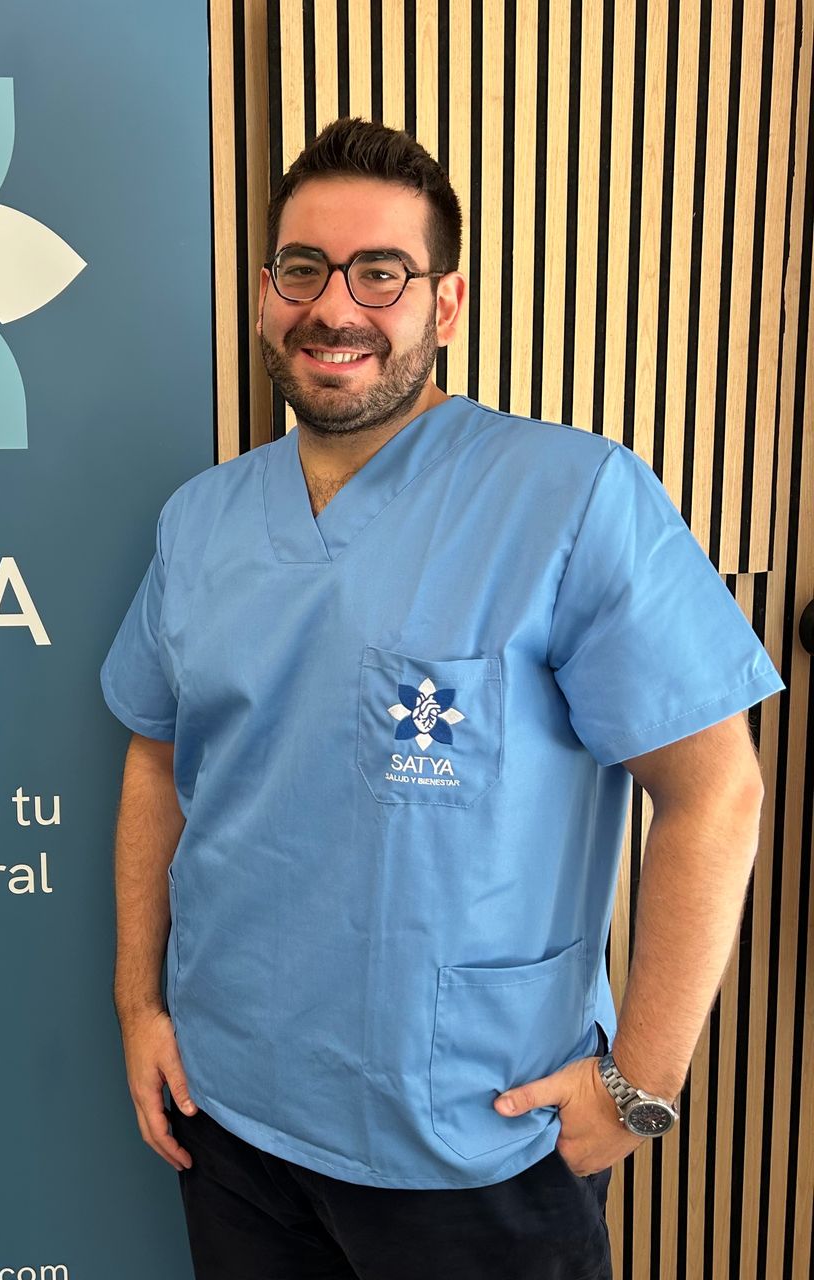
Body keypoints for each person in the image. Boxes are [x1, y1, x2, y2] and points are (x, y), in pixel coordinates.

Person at [99, 117, 784, 1280]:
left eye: (380, 272)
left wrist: (641, 1079)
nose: (334, 307)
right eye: (301, 268)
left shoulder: (570, 497)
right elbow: (157, 757)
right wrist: (137, 1005)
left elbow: (715, 789)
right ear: (264, 294)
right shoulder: (200, 520)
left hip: (474, 1127)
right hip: (231, 1107)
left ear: (445, 304)